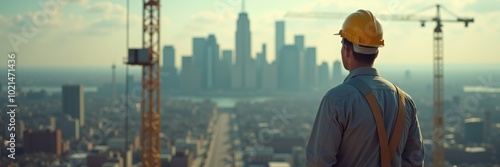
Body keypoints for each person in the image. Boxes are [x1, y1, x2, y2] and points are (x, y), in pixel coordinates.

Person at [306, 9, 425, 167]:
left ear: (347, 51)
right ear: (376, 53)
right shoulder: (405, 102)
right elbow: (415, 161)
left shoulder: (337, 100)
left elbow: (318, 162)